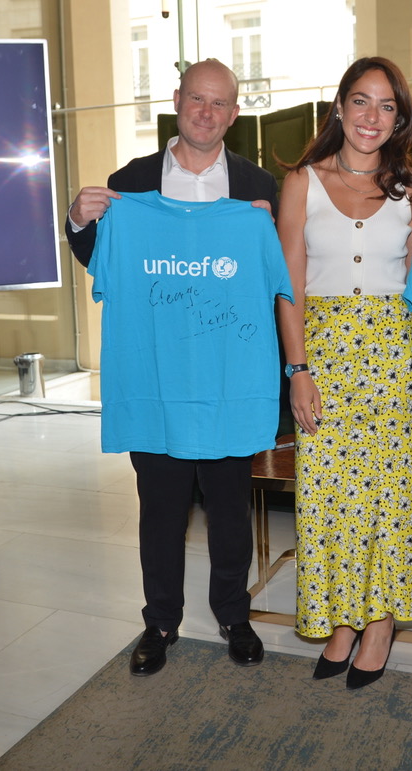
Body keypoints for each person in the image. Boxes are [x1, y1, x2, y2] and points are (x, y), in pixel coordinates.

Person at [65, 58, 279, 677]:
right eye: (196, 99)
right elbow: (102, 263)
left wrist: (266, 233)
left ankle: (233, 614)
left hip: (227, 379)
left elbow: (283, 275)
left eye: (219, 103)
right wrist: (79, 220)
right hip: (155, 379)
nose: (206, 113)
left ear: (234, 114)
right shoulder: (130, 183)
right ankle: (159, 621)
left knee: (230, 511)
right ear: (177, 100)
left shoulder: (258, 187)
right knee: (159, 510)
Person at [276, 57, 412, 690]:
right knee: (331, 495)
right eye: (361, 100)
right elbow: (289, 285)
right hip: (324, 359)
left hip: (396, 360)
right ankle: (343, 619)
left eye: (387, 105)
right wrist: (297, 369)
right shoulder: (302, 181)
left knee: (393, 496)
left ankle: (379, 623)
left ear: (399, 118)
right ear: (340, 107)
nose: (372, 116)